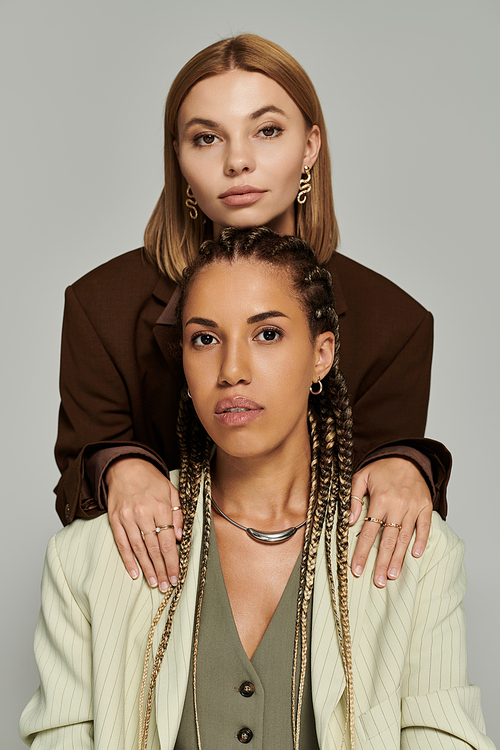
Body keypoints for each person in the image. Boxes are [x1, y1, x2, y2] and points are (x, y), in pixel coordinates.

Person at [21, 228, 490, 749]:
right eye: (205, 338)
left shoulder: (415, 554)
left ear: (321, 354)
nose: (232, 371)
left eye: (266, 334)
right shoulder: (89, 558)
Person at [55, 33, 451, 594]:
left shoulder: (396, 324)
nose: (238, 161)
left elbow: (385, 537)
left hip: (319, 619)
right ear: (179, 157)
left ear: (310, 146)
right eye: (206, 137)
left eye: (267, 131)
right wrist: (118, 467)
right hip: (153, 609)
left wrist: (406, 464)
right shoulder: (101, 306)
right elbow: (76, 476)